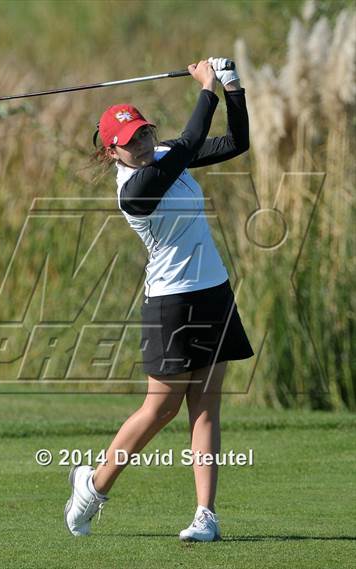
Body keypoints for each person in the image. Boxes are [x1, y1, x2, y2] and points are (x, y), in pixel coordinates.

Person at [64, 58, 254, 542]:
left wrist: (232, 88)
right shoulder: (135, 191)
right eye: (131, 143)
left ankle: (205, 516)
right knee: (160, 409)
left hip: (213, 291)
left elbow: (235, 143)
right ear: (113, 152)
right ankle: (93, 485)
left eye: (146, 134)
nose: (144, 146)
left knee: (206, 407)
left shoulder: (167, 154)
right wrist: (206, 90)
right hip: (171, 304)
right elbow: (188, 144)